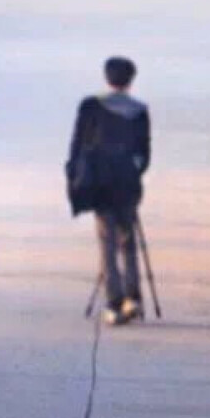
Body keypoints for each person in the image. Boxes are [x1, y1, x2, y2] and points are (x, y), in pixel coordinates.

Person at [66, 56, 151, 326]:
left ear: (107, 78)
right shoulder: (139, 110)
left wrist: (73, 176)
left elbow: (77, 145)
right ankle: (133, 299)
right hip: (127, 184)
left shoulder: (90, 106)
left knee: (107, 241)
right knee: (129, 241)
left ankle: (114, 303)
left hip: (99, 183)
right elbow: (144, 153)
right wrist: (133, 172)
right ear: (131, 81)